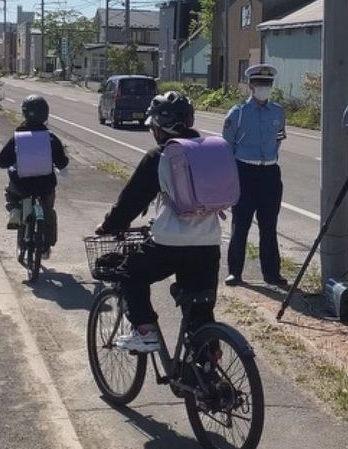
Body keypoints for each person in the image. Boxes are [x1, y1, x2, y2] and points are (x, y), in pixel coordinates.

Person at [95, 92, 235, 353]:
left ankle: (145, 331)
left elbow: (131, 200)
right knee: (201, 311)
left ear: (159, 126)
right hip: (208, 243)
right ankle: (209, 371)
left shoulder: (159, 156)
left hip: (169, 244)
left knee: (129, 273)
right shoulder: (209, 150)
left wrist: (110, 225)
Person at [222, 64, 289, 288]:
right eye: (260, 84)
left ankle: (272, 273)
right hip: (244, 171)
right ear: (250, 85)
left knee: (269, 225)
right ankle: (235, 272)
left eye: (267, 84)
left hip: (269, 172)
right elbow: (227, 146)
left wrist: (268, 158)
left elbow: (279, 138)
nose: (264, 88)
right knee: (240, 225)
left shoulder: (278, 112)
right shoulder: (238, 113)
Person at [0, 94, 69, 257]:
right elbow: (62, 163)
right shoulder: (51, 138)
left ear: (24, 113)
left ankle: (15, 210)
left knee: (10, 193)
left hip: (21, 185)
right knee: (48, 209)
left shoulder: (17, 138)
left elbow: (1, 161)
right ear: (46, 114)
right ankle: (46, 243)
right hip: (45, 185)